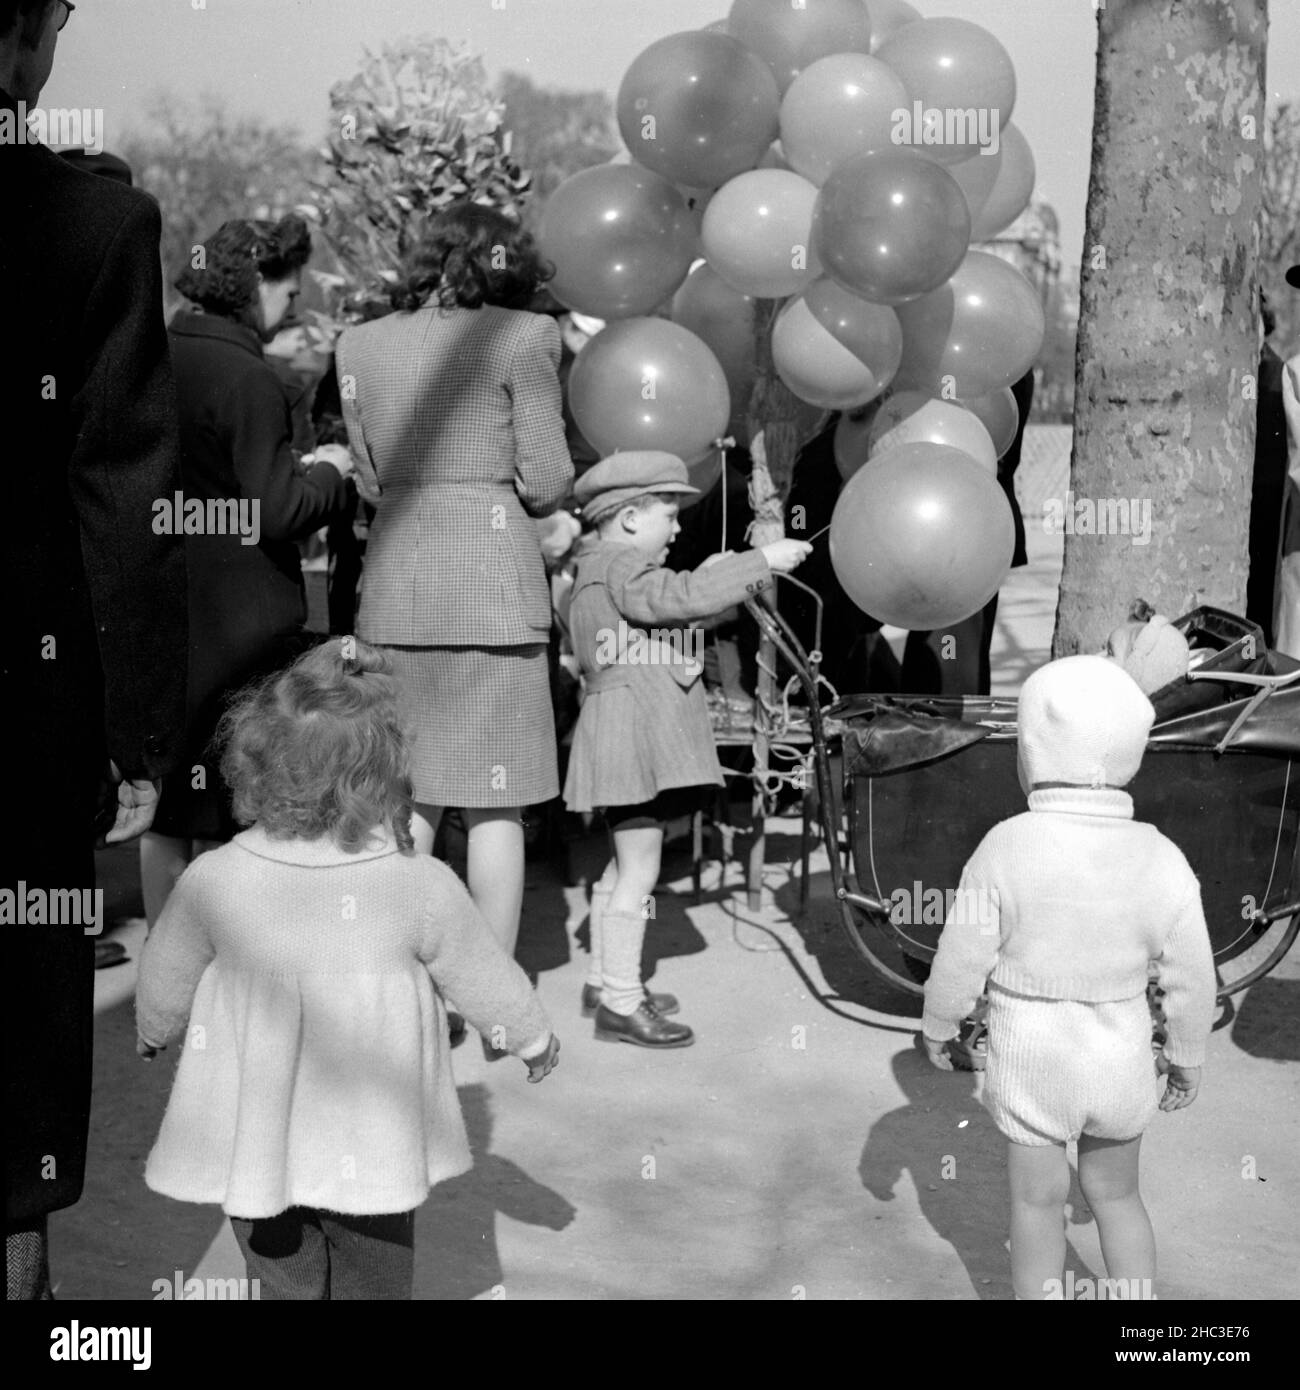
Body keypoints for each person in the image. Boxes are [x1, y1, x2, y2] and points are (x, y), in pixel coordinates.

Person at [135, 639, 560, 1301]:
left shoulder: (216, 878)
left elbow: (167, 965)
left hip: (258, 1139)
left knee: (281, 1271)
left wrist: (155, 1027)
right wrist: (528, 1034)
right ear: (386, 774)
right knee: (374, 1276)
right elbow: (479, 967)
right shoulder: (415, 880)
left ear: (252, 763)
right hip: (373, 1138)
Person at [1, 0, 188, 1299]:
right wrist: (135, 729)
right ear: (22, 38)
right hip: (25, 701)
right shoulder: (86, 227)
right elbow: (120, 491)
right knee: (18, 1018)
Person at [336, 201, 574, 1056]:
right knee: (497, 803)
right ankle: (489, 1004)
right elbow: (546, 480)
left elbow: (366, 479)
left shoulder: (357, 345)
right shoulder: (524, 337)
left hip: (397, 587)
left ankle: (402, 991)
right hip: (494, 588)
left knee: (409, 797)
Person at [921, 655, 1215, 1300]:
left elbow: (962, 951)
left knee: (1035, 1205)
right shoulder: (1161, 855)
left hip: (1032, 1058)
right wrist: (1188, 1053)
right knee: (1117, 1197)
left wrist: (941, 1023)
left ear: (1029, 753)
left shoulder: (1004, 845)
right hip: (1120, 1057)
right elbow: (1194, 973)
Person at [140, 216, 355, 927]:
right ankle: (241, 972)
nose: (290, 309)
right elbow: (276, 509)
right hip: (246, 619)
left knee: (172, 808)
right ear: (251, 284)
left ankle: (167, 972)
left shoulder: (156, 354)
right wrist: (330, 473)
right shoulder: (246, 376)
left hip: (169, 604)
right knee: (248, 804)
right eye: (286, 292)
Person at [564, 452, 812, 1047]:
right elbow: (672, 601)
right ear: (628, 518)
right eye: (667, 515)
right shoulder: (622, 566)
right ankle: (623, 1003)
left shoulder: (601, 567)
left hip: (618, 731)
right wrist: (759, 562)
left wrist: (719, 577)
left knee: (623, 864)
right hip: (630, 736)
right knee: (641, 867)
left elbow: (668, 617)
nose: (677, 529)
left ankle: (605, 981)